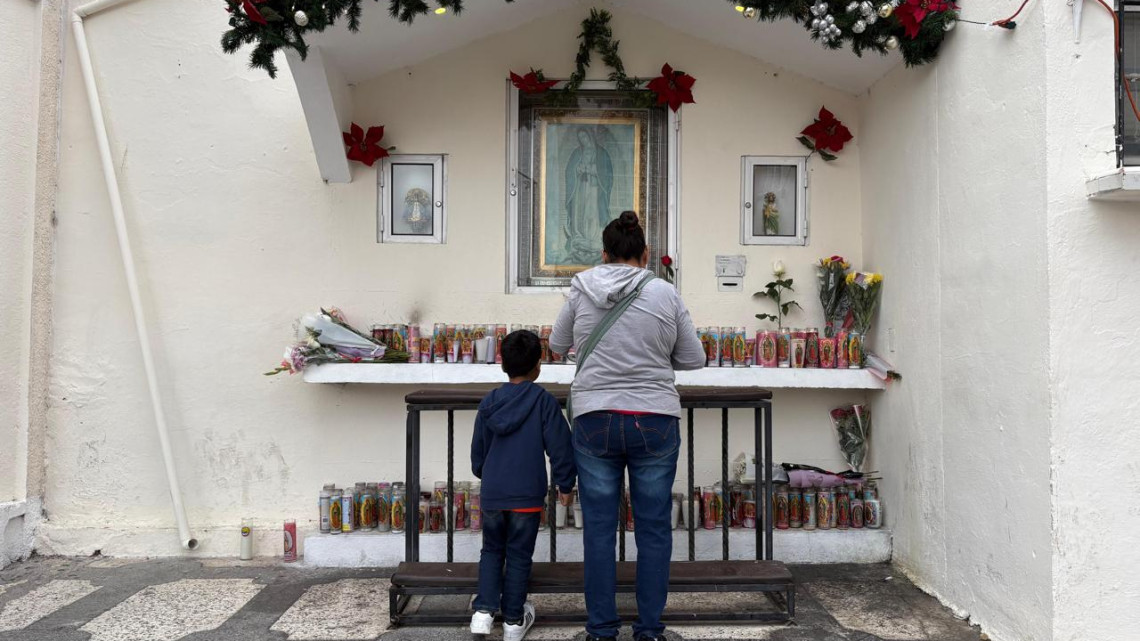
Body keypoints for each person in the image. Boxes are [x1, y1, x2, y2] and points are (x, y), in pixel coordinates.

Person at [549, 211, 705, 641]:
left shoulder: (580, 288)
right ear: (645, 253)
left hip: (594, 417)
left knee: (598, 530)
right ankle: (649, 630)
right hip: (654, 419)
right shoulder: (664, 293)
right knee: (653, 528)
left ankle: (601, 629)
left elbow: (558, 345)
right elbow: (693, 358)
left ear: (604, 254)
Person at [470, 330, 577, 641]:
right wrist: (565, 485)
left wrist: (487, 475)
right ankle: (514, 621)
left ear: (502, 363)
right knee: (518, 555)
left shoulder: (489, 402)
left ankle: (483, 613)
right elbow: (560, 448)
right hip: (527, 495)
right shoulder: (543, 402)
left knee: (491, 550)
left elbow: (478, 453)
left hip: (493, 493)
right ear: (537, 366)